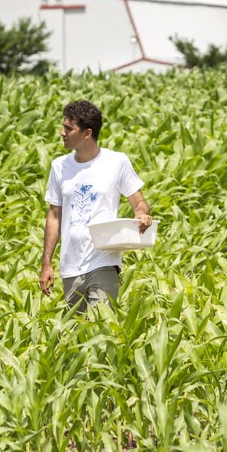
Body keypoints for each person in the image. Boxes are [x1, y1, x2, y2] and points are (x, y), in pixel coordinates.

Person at [40, 100, 153, 313]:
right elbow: (54, 216)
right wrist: (46, 263)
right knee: (77, 334)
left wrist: (141, 214)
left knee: (101, 325)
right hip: (70, 264)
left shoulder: (116, 162)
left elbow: (139, 201)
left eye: (68, 129)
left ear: (86, 133)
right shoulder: (59, 167)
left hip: (103, 260)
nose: (62, 133)